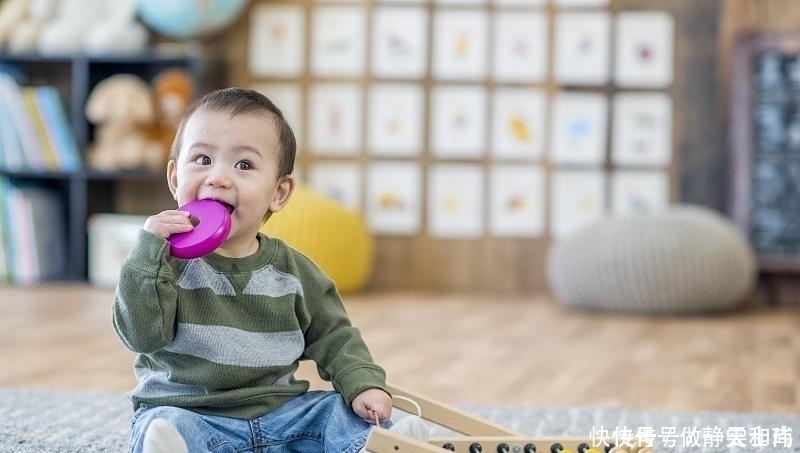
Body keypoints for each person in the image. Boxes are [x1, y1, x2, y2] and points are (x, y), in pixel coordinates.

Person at [112, 87, 426, 453]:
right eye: (202, 159)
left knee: (334, 411)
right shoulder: (160, 264)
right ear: (175, 178)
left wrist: (363, 385)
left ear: (278, 193)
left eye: (243, 165)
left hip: (281, 416)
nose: (218, 178)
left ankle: (384, 443)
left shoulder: (295, 273)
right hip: (193, 412)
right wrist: (147, 254)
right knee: (164, 423)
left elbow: (336, 337)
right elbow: (141, 337)